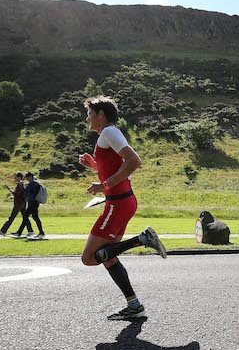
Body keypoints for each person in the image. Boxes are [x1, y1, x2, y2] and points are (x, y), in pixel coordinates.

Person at [78, 96, 167, 320]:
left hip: (117, 204)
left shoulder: (109, 132)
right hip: (121, 202)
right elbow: (115, 166)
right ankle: (134, 305)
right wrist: (94, 166)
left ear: (100, 115)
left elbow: (134, 161)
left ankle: (143, 239)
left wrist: (104, 185)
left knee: (89, 258)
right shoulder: (106, 136)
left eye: (90, 113)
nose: (87, 117)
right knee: (107, 256)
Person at [13, 172, 44, 239]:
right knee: (35, 218)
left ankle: (19, 232)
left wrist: (21, 185)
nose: (26, 179)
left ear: (30, 177)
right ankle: (41, 232)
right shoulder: (36, 183)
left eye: (27, 177)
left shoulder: (32, 184)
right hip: (34, 203)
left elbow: (25, 192)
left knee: (26, 217)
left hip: (32, 203)